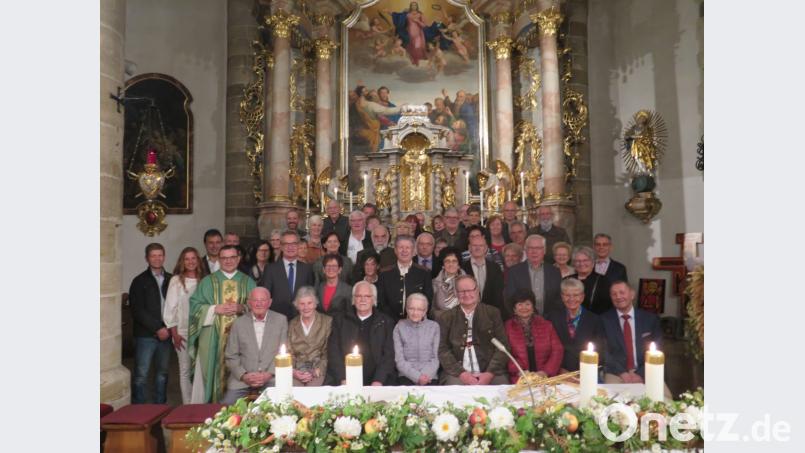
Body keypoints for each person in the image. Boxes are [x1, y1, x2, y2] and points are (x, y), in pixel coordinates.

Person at [188, 245, 256, 403]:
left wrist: (242, 307)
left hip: (242, 341)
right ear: (219, 259)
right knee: (212, 374)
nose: (228, 261)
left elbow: (259, 308)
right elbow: (194, 308)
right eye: (224, 258)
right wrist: (213, 309)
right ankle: (212, 412)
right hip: (213, 338)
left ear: (238, 259)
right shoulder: (207, 282)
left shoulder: (248, 282)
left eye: (232, 257)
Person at [437, 275, 510, 385]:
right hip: (457, 374)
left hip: (491, 371)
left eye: (470, 290)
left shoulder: (492, 313)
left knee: (503, 392)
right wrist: (462, 374)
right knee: (453, 392)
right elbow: (442, 350)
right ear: (456, 293)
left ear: (477, 290)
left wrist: (489, 373)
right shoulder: (446, 317)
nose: (466, 294)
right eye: (462, 291)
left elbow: (503, 347)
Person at [221, 287, 288, 405]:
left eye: (263, 300)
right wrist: (244, 376)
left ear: (270, 302)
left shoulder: (281, 320)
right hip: (242, 380)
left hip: (272, 377)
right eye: (255, 300)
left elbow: (283, 352)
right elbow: (231, 355)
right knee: (227, 406)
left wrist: (268, 374)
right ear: (249, 302)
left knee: (280, 405)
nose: (259, 304)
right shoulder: (238, 323)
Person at [325, 281, 397, 386]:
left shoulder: (386, 322)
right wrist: (342, 378)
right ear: (353, 299)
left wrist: (378, 380)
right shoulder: (340, 320)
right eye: (358, 296)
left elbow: (388, 355)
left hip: (377, 379)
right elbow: (333, 352)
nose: (363, 300)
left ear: (373, 299)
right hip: (345, 378)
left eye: (367, 296)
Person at [163, 246, 208, 404]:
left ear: (198, 260)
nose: (190, 262)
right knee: (185, 369)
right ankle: (187, 405)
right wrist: (174, 333)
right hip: (182, 332)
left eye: (193, 258)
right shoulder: (176, 281)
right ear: (182, 261)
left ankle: (200, 402)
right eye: (187, 259)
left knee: (201, 369)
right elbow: (170, 308)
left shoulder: (205, 279)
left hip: (203, 331)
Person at [129, 243, 173, 404]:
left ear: (164, 256)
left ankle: (160, 407)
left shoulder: (172, 279)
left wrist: (168, 328)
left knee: (162, 373)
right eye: (153, 255)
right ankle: (139, 409)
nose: (157, 258)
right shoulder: (139, 281)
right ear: (147, 258)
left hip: (167, 334)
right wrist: (157, 328)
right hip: (145, 335)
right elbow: (138, 310)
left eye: (160, 255)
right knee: (141, 374)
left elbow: (177, 306)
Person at [602, 281, 664, 387]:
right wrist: (623, 373)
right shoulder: (604, 320)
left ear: (632, 294)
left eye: (622, 292)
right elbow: (604, 352)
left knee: (665, 399)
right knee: (612, 400)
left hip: (647, 370)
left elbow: (659, 349)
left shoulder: (650, 319)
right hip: (616, 372)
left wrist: (640, 374)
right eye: (614, 294)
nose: (618, 297)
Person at [503, 288, 564, 384]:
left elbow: (557, 350)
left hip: (546, 377)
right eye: (520, 304)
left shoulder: (546, 325)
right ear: (514, 309)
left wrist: (545, 372)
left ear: (533, 307)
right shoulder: (508, 327)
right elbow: (505, 354)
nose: (524, 308)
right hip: (520, 377)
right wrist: (519, 371)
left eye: (527, 304)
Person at [546, 278, 605, 373]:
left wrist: (584, 370)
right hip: (558, 372)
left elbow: (600, 350)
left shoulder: (595, 320)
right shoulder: (552, 318)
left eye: (576, 295)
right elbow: (548, 349)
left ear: (582, 297)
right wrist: (560, 370)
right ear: (562, 296)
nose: (571, 299)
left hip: (586, 370)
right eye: (567, 295)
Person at [260, 231, 316, 320]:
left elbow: (311, 295)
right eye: (286, 244)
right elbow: (265, 296)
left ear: (298, 246)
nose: (290, 247)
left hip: (301, 319)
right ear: (281, 247)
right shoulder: (270, 269)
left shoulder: (307, 269)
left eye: (294, 244)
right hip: (276, 320)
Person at [376, 235, 434, 321]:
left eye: (408, 247)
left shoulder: (424, 273)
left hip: (416, 322)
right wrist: (394, 320)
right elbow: (381, 302)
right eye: (401, 247)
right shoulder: (384, 273)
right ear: (395, 250)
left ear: (414, 251)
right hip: (390, 322)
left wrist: (414, 319)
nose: (404, 251)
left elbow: (427, 300)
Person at [504, 234, 563, 318]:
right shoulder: (514, 272)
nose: (534, 251)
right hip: (522, 321)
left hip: (549, 321)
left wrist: (549, 320)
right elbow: (509, 299)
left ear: (544, 250)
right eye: (530, 248)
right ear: (526, 250)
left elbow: (559, 300)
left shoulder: (555, 272)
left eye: (538, 248)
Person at [288, 286, 333, 387]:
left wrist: (317, 370)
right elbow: (289, 352)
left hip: (318, 369)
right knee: (293, 393)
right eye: (302, 304)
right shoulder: (292, 324)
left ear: (315, 304)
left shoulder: (327, 322)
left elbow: (328, 352)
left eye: (309, 303)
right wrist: (293, 371)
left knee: (312, 392)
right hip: (297, 371)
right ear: (297, 306)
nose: (306, 307)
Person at [393, 293, 440, 385]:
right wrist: (417, 377)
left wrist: (424, 376)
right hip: (406, 375)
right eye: (411, 309)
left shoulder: (434, 327)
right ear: (406, 309)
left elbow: (436, 358)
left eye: (419, 309)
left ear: (425, 310)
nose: (415, 313)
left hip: (430, 375)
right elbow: (399, 360)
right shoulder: (399, 327)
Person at [461, 235, 505, 318]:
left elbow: (498, 294)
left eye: (481, 245)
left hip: (490, 314)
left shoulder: (495, 268)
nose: (478, 248)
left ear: (486, 248)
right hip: (468, 315)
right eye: (474, 246)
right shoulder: (462, 268)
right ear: (469, 248)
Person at [569, 246, 613, 315]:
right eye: (578, 261)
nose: (581, 264)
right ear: (574, 263)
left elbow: (607, 307)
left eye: (585, 260)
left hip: (596, 321)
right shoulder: (567, 280)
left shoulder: (603, 281)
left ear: (593, 262)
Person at [431, 247, 466, 318]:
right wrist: (443, 316)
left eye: (454, 261)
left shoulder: (469, 282)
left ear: (459, 264)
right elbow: (431, 310)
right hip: (441, 322)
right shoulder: (434, 283)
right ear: (443, 265)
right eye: (447, 261)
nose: (451, 264)